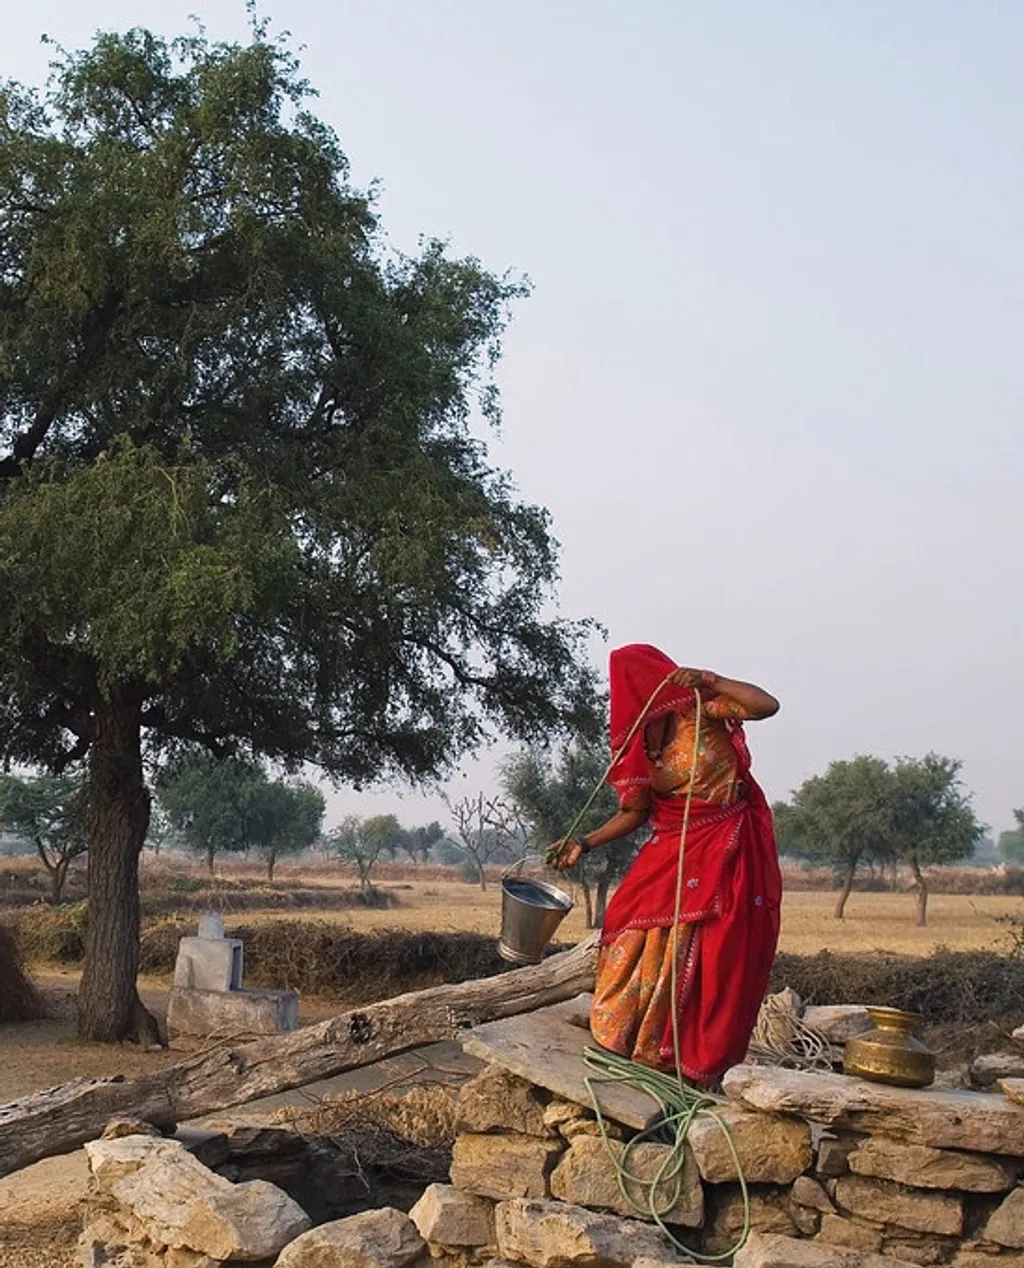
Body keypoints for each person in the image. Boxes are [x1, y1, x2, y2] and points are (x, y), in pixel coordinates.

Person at [548, 643, 781, 1085]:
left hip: (727, 841)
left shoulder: (701, 709)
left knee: (712, 943)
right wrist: (584, 841)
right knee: (626, 919)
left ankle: (683, 1054)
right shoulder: (634, 739)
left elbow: (765, 705)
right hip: (673, 842)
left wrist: (710, 678)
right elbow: (634, 811)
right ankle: (623, 1033)